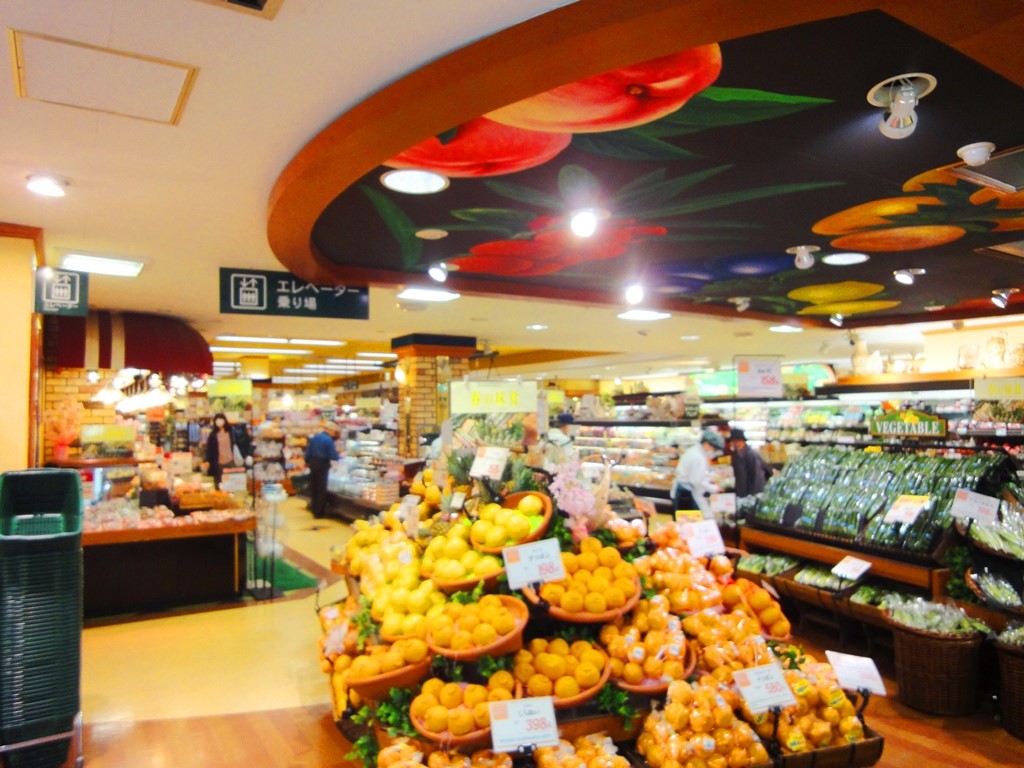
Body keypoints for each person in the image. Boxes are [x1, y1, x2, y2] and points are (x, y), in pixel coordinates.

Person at [672, 428, 725, 518]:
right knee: (690, 522)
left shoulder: (694, 451)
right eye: (714, 449)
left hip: (684, 491)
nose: (714, 452)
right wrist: (714, 488)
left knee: (687, 521)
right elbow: (696, 481)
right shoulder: (698, 457)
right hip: (686, 495)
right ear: (706, 444)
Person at [304, 420, 341, 519]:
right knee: (321, 488)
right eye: (334, 432)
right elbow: (333, 456)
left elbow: (308, 452)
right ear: (331, 430)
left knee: (314, 487)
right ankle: (319, 512)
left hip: (313, 464)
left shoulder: (315, 437)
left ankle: (314, 509)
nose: (334, 434)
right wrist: (340, 458)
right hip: (323, 464)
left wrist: (307, 462)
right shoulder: (329, 440)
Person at [729, 427, 773, 498]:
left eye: (738, 441)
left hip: (750, 493)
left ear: (743, 441)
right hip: (743, 491)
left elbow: (757, 475)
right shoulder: (738, 453)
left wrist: (754, 495)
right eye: (734, 441)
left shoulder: (750, 454)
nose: (736, 444)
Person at [204, 413, 240, 490]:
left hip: (230, 462)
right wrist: (207, 460)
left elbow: (239, 443)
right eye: (217, 420)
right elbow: (209, 449)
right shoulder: (213, 435)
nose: (219, 422)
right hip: (218, 464)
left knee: (230, 486)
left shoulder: (231, 432)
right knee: (219, 486)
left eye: (221, 419)